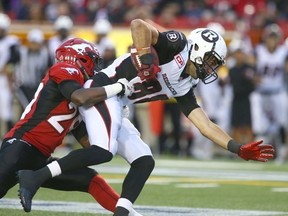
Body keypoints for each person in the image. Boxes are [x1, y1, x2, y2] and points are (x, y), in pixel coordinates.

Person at [18, 19, 275, 216]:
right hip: (102, 91)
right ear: (197, 49)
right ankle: (36, 176)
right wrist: (145, 55)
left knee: (144, 160)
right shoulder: (177, 45)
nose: (210, 68)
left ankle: (122, 210)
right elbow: (138, 25)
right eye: (210, 60)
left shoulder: (186, 85)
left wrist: (237, 148)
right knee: (103, 150)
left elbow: (205, 125)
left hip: (118, 102)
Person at [0, 38, 138, 215]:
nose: (96, 68)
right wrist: (117, 88)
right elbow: (80, 97)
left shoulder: (78, 93)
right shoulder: (65, 69)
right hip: (21, 146)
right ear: (80, 58)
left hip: (40, 160)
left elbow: (89, 144)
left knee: (90, 179)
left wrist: (115, 116)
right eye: (93, 60)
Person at [15, 28, 51, 108]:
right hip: (22, 86)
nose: (34, 45)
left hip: (38, 85)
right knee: (27, 108)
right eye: (33, 43)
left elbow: (49, 69)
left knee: (35, 108)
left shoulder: (45, 54)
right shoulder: (21, 52)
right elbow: (10, 65)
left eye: (36, 43)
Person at [0, 13, 20, 139]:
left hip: (4, 78)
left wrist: (8, 71)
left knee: (6, 108)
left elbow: (14, 59)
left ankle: (7, 136)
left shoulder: (11, 41)